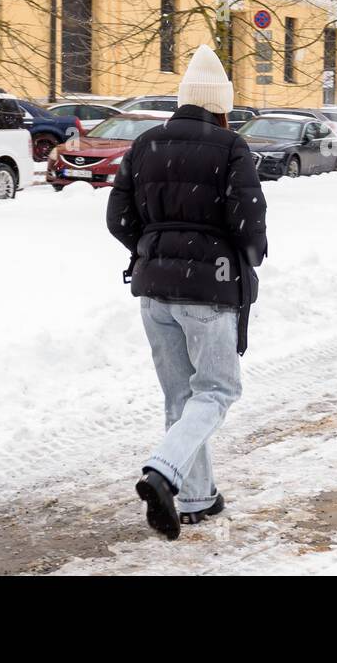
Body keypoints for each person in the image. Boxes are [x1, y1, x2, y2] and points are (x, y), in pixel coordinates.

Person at [106, 44, 267, 540]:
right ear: (222, 104)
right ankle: (164, 471)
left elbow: (118, 218)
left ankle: (196, 497)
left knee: (181, 395)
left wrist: (154, 250)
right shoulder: (230, 147)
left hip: (153, 291)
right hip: (209, 288)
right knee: (218, 390)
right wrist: (249, 255)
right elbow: (248, 220)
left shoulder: (145, 143)